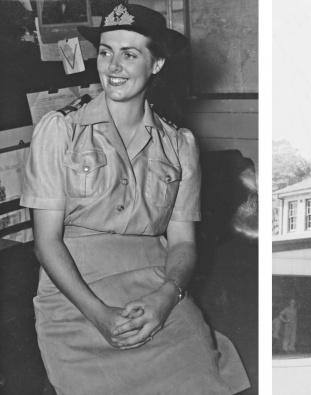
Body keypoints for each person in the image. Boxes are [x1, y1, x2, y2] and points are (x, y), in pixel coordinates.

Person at [21, 4, 249, 393]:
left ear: (156, 63)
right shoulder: (59, 130)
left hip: (156, 284)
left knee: (204, 381)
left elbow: (182, 243)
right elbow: (46, 243)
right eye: (106, 52)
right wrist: (99, 315)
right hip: (76, 295)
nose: (112, 66)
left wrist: (166, 297)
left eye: (129, 54)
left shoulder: (180, 144)